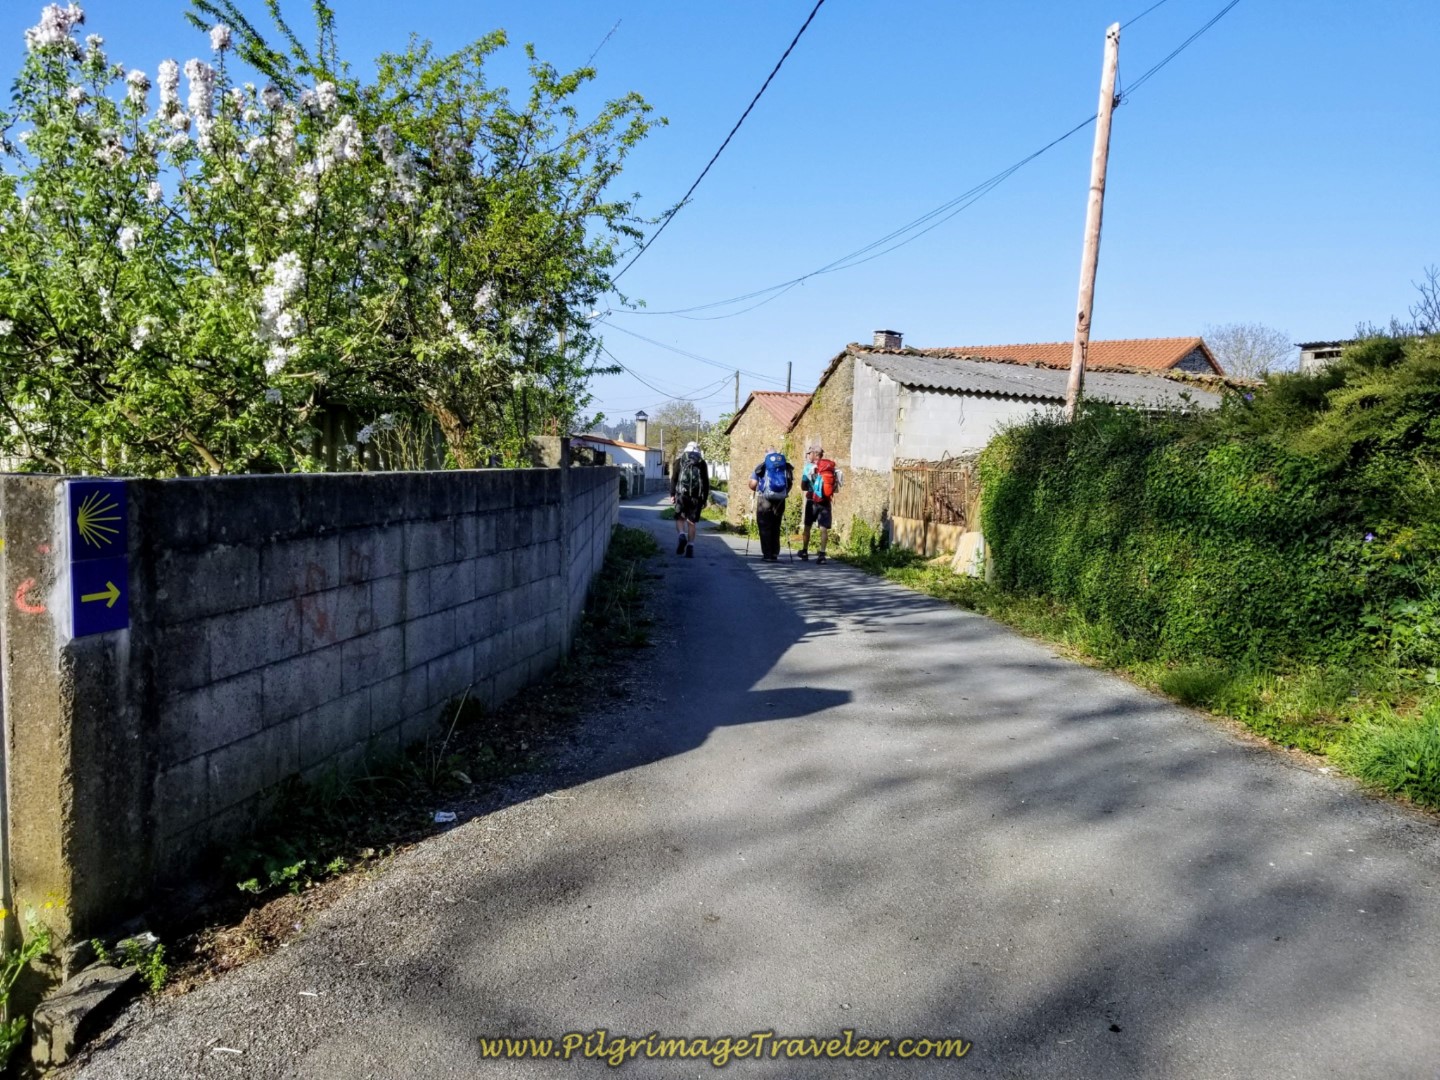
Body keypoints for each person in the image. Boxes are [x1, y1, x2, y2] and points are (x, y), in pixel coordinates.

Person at [747, 446, 793, 562]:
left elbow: (753, 484)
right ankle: (774, 553)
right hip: (780, 500)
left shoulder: (762, 466)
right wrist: (784, 493)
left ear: (766, 454)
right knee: (776, 526)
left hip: (764, 500)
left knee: (764, 526)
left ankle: (767, 554)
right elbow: (789, 482)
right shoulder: (785, 466)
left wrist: (755, 486)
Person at [798, 444, 839, 564]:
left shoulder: (808, 468)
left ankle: (805, 551)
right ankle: (822, 555)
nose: (809, 455)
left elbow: (803, 486)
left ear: (815, 454)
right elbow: (835, 487)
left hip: (812, 500)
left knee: (807, 526)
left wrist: (812, 487)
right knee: (823, 529)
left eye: (810, 453)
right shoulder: (830, 468)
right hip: (825, 501)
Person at [669, 441, 710, 558]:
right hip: (696, 497)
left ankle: (681, 535)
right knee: (692, 522)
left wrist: (672, 494)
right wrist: (705, 498)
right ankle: (690, 547)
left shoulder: (680, 460)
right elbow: (706, 482)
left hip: (682, 495)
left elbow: (674, 479)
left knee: (680, 518)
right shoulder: (702, 463)